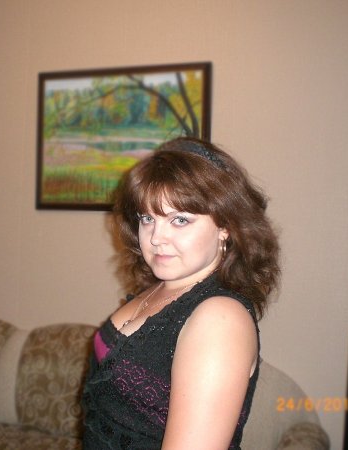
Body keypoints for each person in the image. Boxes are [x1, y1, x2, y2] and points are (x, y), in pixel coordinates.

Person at [82, 137, 280, 449]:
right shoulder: (163, 287)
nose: (156, 237)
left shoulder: (220, 319)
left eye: (180, 220)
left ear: (225, 226)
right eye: (148, 218)